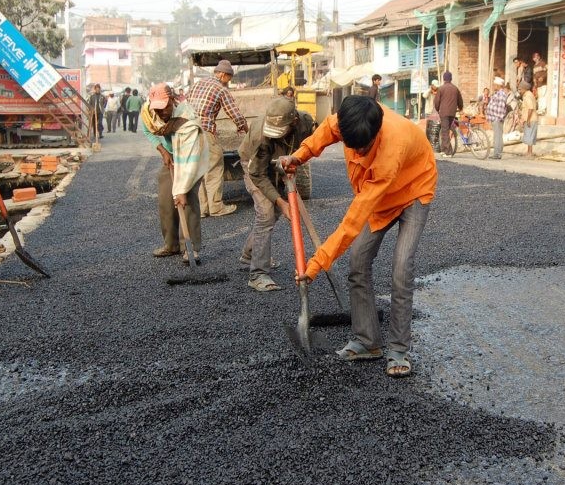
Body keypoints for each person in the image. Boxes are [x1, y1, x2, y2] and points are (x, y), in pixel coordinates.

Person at [278, 96, 438, 378]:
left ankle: (398, 349)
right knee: (358, 262)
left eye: (365, 148)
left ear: (376, 133)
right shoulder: (346, 121)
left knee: (401, 267)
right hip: (379, 196)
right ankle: (367, 341)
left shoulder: (391, 149)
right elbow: (324, 133)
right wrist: (298, 156)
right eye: (355, 148)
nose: (359, 153)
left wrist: (314, 266)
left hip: (414, 191)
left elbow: (352, 222)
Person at [238, 98, 312, 292]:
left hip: (281, 162)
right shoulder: (260, 136)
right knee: (266, 212)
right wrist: (280, 201)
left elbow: (309, 146)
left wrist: (295, 160)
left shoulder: (304, 122)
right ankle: (258, 274)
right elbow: (257, 174)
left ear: (294, 121)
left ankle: (249, 253)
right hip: (255, 166)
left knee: (275, 213)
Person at [139, 84, 208, 264]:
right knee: (166, 199)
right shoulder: (149, 112)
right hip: (172, 154)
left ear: (172, 100)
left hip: (190, 157)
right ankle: (171, 245)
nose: (161, 113)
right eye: (158, 109)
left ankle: (190, 248)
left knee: (188, 200)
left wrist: (182, 190)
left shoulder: (187, 120)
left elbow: (188, 163)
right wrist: (163, 150)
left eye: (165, 108)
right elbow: (147, 130)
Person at [185, 59, 249, 217]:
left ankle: (202, 208)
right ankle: (216, 207)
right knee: (214, 166)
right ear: (223, 75)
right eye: (229, 78)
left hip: (188, 131)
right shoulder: (221, 89)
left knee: (197, 169)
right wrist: (244, 127)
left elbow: (185, 105)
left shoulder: (197, 84)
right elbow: (234, 113)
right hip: (204, 131)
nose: (229, 82)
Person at [434, 71, 463, 158]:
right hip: (452, 112)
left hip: (444, 113)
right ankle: (444, 149)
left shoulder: (441, 89)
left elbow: (436, 102)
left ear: (444, 79)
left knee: (445, 131)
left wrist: (437, 109)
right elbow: (460, 100)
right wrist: (460, 108)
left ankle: (448, 152)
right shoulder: (455, 88)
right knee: (447, 129)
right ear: (451, 79)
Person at [485, 77, 509, 159]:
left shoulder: (501, 94)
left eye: (495, 85)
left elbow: (501, 107)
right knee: (497, 136)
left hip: (497, 118)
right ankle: (497, 153)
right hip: (494, 118)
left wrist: (498, 118)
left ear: (499, 85)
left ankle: (497, 154)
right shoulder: (497, 93)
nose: (493, 86)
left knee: (498, 136)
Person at [519, 81, 538, 156]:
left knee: (529, 135)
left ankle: (529, 153)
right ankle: (529, 152)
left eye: (520, 89)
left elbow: (530, 108)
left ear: (524, 89)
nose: (520, 91)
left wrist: (528, 119)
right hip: (531, 119)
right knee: (529, 135)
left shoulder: (528, 96)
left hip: (531, 119)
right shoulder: (529, 94)